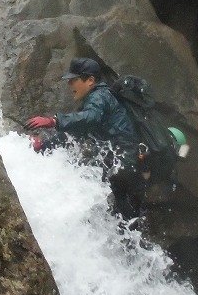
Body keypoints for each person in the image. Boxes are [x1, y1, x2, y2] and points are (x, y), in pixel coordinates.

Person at [25, 57, 148, 223]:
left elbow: (91, 117)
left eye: (73, 80)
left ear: (90, 80)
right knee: (124, 213)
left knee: (116, 202)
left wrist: (54, 121)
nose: (70, 85)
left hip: (124, 159)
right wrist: (44, 146)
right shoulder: (100, 99)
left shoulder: (99, 97)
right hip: (122, 161)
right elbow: (73, 133)